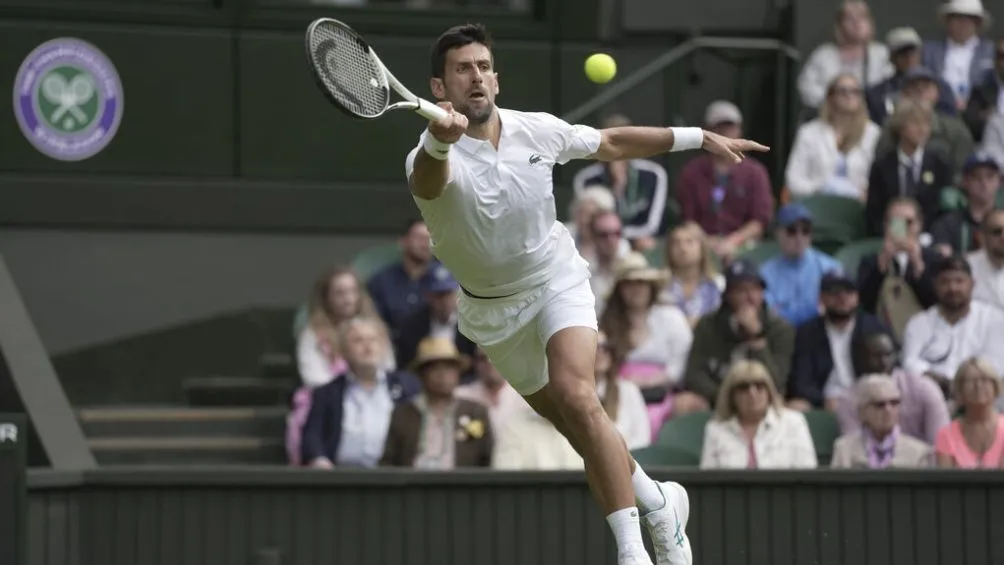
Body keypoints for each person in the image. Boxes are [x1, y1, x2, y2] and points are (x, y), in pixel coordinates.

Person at [404, 23, 768, 565]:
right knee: (576, 423)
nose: (475, 77)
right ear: (441, 88)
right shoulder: (428, 157)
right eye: (462, 69)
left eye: (483, 67)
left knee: (579, 396)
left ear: (497, 80)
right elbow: (430, 183)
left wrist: (697, 136)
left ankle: (633, 551)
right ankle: (657, 499)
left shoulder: (537, 131)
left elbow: (612, 142)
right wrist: (440, 140)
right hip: (492, 312)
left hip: (556, 280)